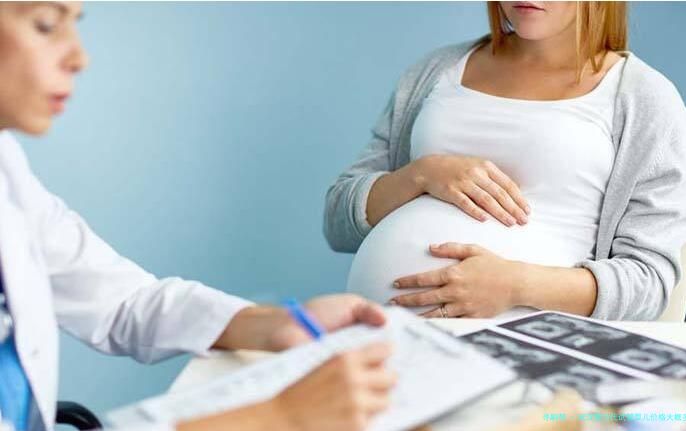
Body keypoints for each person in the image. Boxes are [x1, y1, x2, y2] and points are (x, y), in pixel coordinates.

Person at [0, 3, 394, 431]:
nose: (79, 57)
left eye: (74, 24)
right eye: (45, 25)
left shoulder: (7, 169)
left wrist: (272, 325)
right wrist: (281, 417)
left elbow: (122, 302)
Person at [324, 1, 686, 320]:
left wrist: (515, 285)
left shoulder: (645, 98)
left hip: (529, 356)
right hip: (376, 349)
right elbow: (337, 220)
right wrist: (420, 175)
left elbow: (649, 283)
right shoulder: (436, 71)